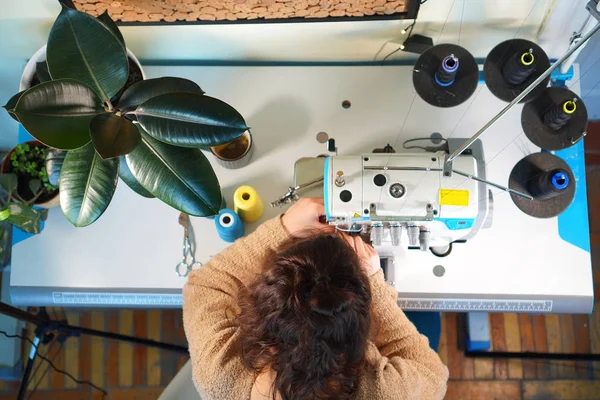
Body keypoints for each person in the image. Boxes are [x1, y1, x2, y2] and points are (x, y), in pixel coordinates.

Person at [183, 198, 449, 400]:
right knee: (429, 317)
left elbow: (206, 285)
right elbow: (433, 375)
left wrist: (284, 228)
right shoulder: (386, 390)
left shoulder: (219, 375)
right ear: (360, 337)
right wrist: (377, 289)